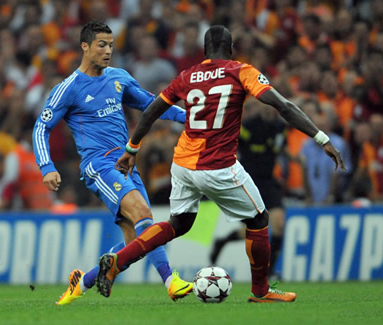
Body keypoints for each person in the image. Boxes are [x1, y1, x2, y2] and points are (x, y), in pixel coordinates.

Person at [102, 25, 346, 303]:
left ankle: (118, 261)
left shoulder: (187, 75)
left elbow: (151, 112)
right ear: (230, 48)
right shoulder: (240, 70)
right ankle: (261, 291)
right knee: (259, 219)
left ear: (205, 50)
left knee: (178, 223)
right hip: (217, 166)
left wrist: (131, 149)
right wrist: (321, 138)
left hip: (182, 164)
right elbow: (283, 106)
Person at [32, 21, 192, 305]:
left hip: (125, 165)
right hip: (98, 166)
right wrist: (47, 167)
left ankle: (82, 282)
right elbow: (40, 128)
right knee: (144, 214)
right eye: (101, 45)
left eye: (111, 45)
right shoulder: (68, 88)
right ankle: (171, 281)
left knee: (137, 244)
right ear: (85, 46)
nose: (108, 51)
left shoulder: (118, 77)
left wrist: (189, 118)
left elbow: (151, 105)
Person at [209, 99, 287, 281]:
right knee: (255, 229)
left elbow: (278, 149)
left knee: (278, 223)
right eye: (266, 104)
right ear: (260, 106)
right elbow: (231, 144)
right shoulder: (248, 127)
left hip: (269, 181)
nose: (269, 109)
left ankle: (270, 272)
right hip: (249, 181)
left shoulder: (280, 127)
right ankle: (223, 241)